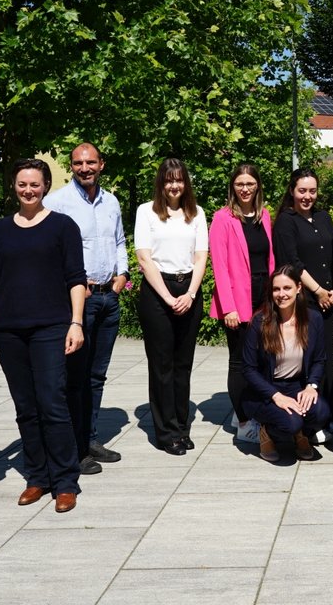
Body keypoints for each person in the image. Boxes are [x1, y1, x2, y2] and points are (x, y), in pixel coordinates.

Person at [0, 159, 87, 513]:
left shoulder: (62, 226)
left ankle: (65, 481)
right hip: (8, 330)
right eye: (22, 184)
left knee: (52, 403)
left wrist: (76, 323)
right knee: (25, 408)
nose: (28, 190)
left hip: (51, 327)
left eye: (35, 184)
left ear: (45, 186)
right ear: (13, 186)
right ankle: (37, 477)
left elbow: (76, 277)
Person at [43, 142, 128, 473]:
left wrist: (122, 274)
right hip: (80, 300)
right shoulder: (57, 203)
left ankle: (89, 438)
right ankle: (73, 448)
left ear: (101, 164)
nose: (84, 168)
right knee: (74, 377)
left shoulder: (111, 202)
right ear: (72, 166)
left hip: (109, 297)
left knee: (96, 376)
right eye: (78, 163)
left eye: (90, 162)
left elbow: (119, 242)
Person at [134, 158, 208, 455]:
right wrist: (167, 297)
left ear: (185, 183)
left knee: (183, 365)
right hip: (157, 292)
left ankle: (181, 427)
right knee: (162, 366)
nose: (173, 185)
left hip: (188, 288)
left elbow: (201, 256)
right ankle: (166, 433)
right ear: (160, 183)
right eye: (168, 180)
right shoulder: (146, 212)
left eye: (178, 180)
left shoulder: (197, 214)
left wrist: (190, 293)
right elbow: (143, 257)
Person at [209, 163, 274, 444]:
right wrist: (229, 307)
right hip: (236, 300)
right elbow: (219, 266)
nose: (245, 189)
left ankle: (243, 410)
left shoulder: (264, 216)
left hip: (263, 297)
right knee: (239, 362)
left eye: (249, 183)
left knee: (260, 361)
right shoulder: (222, 218)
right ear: (232, 187)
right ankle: (245, 422)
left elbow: (270, 260)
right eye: (239, 184)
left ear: (258, 185)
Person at [242, 265, 330, 462]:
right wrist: (275, 396)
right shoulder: (260, 322)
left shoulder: (313, 318)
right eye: (276, 289)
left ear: (299, 288)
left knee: (322, 412)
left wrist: (311, 386)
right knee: (290, 423)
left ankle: (301, 434)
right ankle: (267, 432)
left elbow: (319, 360)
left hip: (297, 385)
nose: (281, 294)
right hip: (265, 391)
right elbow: (248, 369)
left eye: (287, 288)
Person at [273, 167, 333, 394]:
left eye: (312, 191)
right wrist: (318, 290)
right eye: (302, 190)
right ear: (292, 191)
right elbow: (293, 263)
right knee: (307, 355)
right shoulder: (286, 221)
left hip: (328, 300)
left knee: (328, 355)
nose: (307, 196)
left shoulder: (323, 217)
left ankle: (328, 410)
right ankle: (310, 411)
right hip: (305, 300)